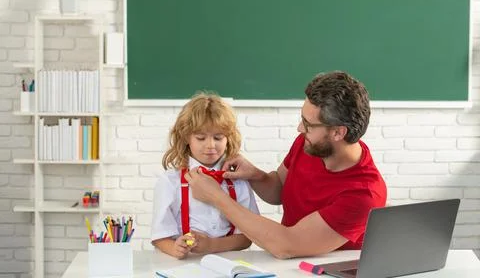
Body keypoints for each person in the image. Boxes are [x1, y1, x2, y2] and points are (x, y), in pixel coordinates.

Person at [185, 71, 387, 259]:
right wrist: (256, 175)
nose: (300, 128)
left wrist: (216, 197)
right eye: (302, 119)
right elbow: (279, 190)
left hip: (323, 268)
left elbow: (286, 245)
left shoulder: (364, 194)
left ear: (338, 133)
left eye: (308, 124)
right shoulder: (310, 144)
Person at [151, 92, 259, 259]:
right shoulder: (169, 182)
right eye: (201, 138)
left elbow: (248, 237)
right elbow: (160, 235)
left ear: (228, 138)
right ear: (187, 137)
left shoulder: (238, 181)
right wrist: (174, 248)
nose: (210, 145)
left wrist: (212, 246)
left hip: (229, 261)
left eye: (218, 137)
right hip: (185, 263)